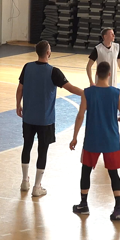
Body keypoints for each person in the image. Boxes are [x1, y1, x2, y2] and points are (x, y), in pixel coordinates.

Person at [16, 40, 83, 197]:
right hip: (45, 120)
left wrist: (18, 104)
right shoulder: (54, 72)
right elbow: (70, 88)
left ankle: (24, 181)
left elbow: (20, 89)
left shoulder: (27, 67)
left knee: (27, 147)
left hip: (28, 117)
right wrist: (87, 93)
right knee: (42, 151)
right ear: (47, 52)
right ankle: (37, 186)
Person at [70, 61, 120, 221]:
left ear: (96, 74)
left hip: (92, 138)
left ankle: (83, 204)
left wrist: (75, 137)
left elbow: (80, 116)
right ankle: (118, 208)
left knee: (86, 171)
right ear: (109, 75)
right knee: (113, 173)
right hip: (111, 140)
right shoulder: (117, 93)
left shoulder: (87, 93)